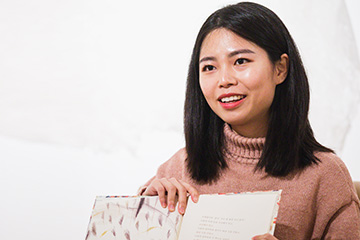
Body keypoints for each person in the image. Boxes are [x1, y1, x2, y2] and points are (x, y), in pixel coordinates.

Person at [138, 2, 360, 239]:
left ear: (280, 69)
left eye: (240, 61)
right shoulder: (178, 167)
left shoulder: (325, 176)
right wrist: (143, 211)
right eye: (209, 67)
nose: (224, 80)